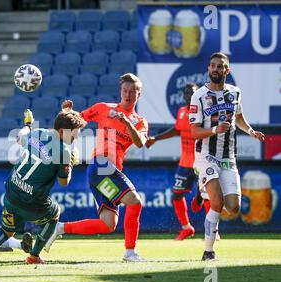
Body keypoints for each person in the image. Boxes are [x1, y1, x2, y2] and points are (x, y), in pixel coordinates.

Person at [0, 108, 87, 265]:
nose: (77, 136)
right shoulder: (64, 152)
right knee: (54, 213)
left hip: (12, 190)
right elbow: (64, 182)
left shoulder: (37, 133)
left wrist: (28, 124)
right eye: (76, 132)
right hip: (32, 200)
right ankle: (34, 256)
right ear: (63, 131)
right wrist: (70, 164)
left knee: (6, 230)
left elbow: (19, 136)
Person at [45, 73, 149, 262]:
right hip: (100, 165)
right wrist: (67, 112)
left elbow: (141, 142)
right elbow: (77, 121)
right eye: (125, 90)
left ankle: (60, 228)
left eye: (132, 91)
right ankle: (130, 253)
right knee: (135, 202)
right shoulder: (104, 108)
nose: (128, 94)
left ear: (139, 95)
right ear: (121, 91)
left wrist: (127, 123)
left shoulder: (140, 122)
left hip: (107, 170)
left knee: (108, 224)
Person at [189, 52, 265, 260]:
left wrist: (250, 131)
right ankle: (208, 251)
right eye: (212, 65)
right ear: (208, 68)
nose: (215, 69)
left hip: (228, 157)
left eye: (220, 66)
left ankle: (202, 189)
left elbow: (239, 117)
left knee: (232, 207)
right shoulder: (199, 96)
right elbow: (194, 132)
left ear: (227, 70)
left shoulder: (235, 92)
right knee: (217, 203)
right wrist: (214, 130)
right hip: (206, 155)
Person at [146, 83, 207, 240]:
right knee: (176, 196)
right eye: (186, 93)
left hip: (201, 162)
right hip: (185, 163)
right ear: (183, 96)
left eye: (192, 93)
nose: (189, 96)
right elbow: (176, 130)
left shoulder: (204, 113)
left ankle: (212, 230)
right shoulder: (181, 112)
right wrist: (155, 139)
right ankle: (186, 228)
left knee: (207, 196)